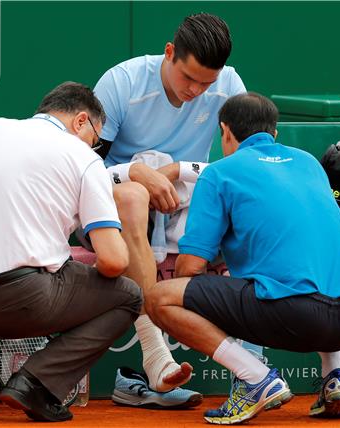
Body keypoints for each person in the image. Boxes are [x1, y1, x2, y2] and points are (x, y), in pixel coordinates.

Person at [145, 93, 340, 425]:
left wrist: (213, 270)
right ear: (275, 134)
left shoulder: (219, 173)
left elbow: (190, 268)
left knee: (159, 298)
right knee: (312, 271)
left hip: (295, 314)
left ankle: (256, 378)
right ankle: (336, 377)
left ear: (225, 132)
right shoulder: (309, 163)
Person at [0, 82, 143, 422]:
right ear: (81, 121)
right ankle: (34, 382)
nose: (96, 147)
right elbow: (113, 261)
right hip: (21, 300)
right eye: (97, 139)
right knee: (129, 296)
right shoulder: (84, 159)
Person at [92, 13, 265, 407]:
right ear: (169, 53)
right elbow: (83, 169)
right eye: (189, 78)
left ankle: (254, 366)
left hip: (190, 204)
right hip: (118, 203)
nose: (197, 90)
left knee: (252, 211)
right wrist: (136, 172)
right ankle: (156, 356)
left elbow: (245, 168)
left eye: (207, 83)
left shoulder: (229, 85)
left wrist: (178, 171)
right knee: (134, 196)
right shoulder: (122, 82)